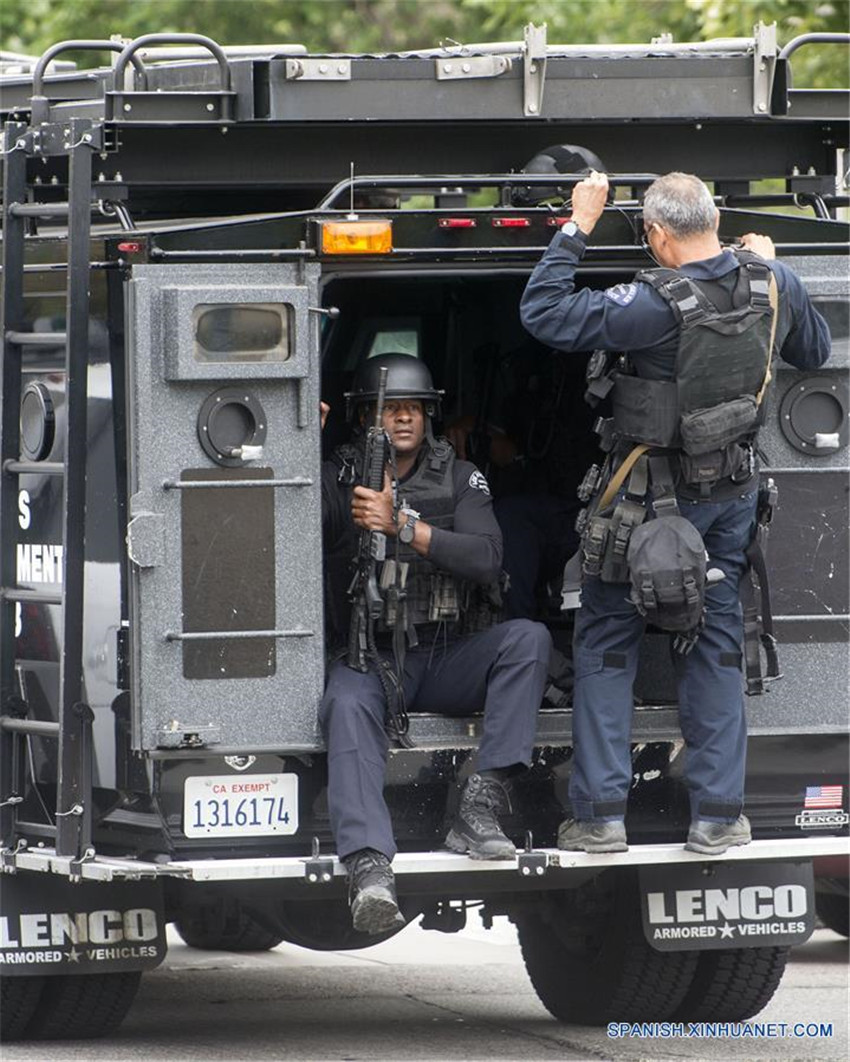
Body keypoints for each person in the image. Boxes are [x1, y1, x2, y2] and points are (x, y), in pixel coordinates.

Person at [520, 171, 831, 855]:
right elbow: (815, 352)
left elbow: (543, 313)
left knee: (605, 649)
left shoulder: (649, 305)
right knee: (716, 649)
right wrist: (774, 271)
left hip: (644, 507)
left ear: (657, 236)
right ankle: (718, 817)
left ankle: (600, 818)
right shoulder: (773, 284)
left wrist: (577, 224)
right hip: (729, 503)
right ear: (715, 218)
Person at [320, 353, 551, 934]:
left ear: (428, 416)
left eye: (413, 410)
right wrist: (304, 449)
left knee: (527, 640)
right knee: (345, 705)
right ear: (364, 419)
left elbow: (487, 557)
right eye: (390, 409)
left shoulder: (459, 475)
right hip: (370, 657)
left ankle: (478, 805)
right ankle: (370, 867)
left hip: (446, 652)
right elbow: (283, 515)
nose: (402, 419)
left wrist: (404, 526)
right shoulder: (337, 473)